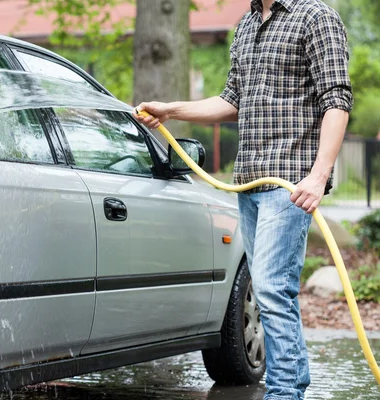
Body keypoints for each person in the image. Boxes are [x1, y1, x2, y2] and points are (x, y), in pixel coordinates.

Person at [134, 0, 352, 399]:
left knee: (270, 288)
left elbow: (336, 101)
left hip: (290, 182)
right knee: (272, 290)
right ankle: (292, 385)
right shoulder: (247, 24)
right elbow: (231, 100)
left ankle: (285, 392)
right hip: (250, 184)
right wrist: (171, 110)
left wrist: (319, 176)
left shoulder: (316, 16)